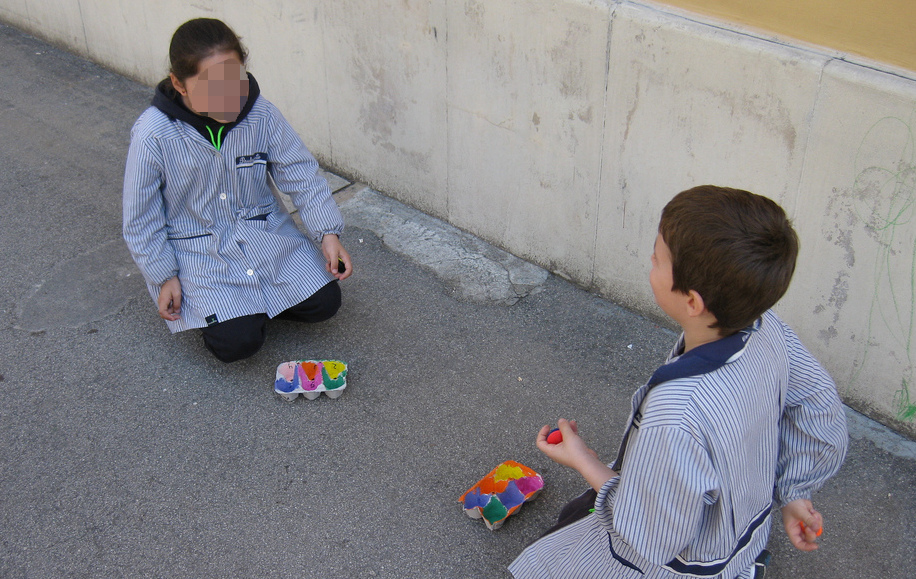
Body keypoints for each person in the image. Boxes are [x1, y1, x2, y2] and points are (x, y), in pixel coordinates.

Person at [509, 186, 848, 578]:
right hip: (739, 538)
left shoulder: (678, 413)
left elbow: (651, 532)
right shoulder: (765, 326)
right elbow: (820, 407)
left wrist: (582, 459)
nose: (649, 261)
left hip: (675, 564)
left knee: (553, 557)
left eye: (657, 258)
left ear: (692, 302)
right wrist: (793, 493)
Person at [123, 18, 352, 363]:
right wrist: (164, 275)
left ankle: (251, 305)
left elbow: (300, 173)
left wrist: (328, 234)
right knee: (237, 344)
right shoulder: (152, 134)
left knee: (325, 303)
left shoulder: (261, 114)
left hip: (263, 233)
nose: (228, 96)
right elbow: (141, 216)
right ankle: (234, 312)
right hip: (198, 249)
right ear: (178, 84)